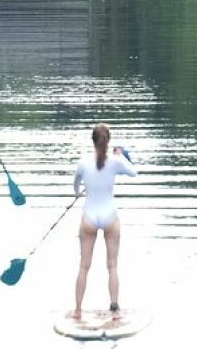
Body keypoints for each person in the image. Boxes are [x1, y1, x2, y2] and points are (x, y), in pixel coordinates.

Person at [72, 123, 138, 320]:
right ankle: (115, 309)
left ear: (93, 141)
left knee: (84, 266)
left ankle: (77, 310)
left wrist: (77, 194)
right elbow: (134, 172)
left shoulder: (83, 162)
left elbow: (75, 185)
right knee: (112, 266)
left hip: (89, 218)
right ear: (108, 142)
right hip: (110, 218)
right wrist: (123, 156)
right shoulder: (116, 161)